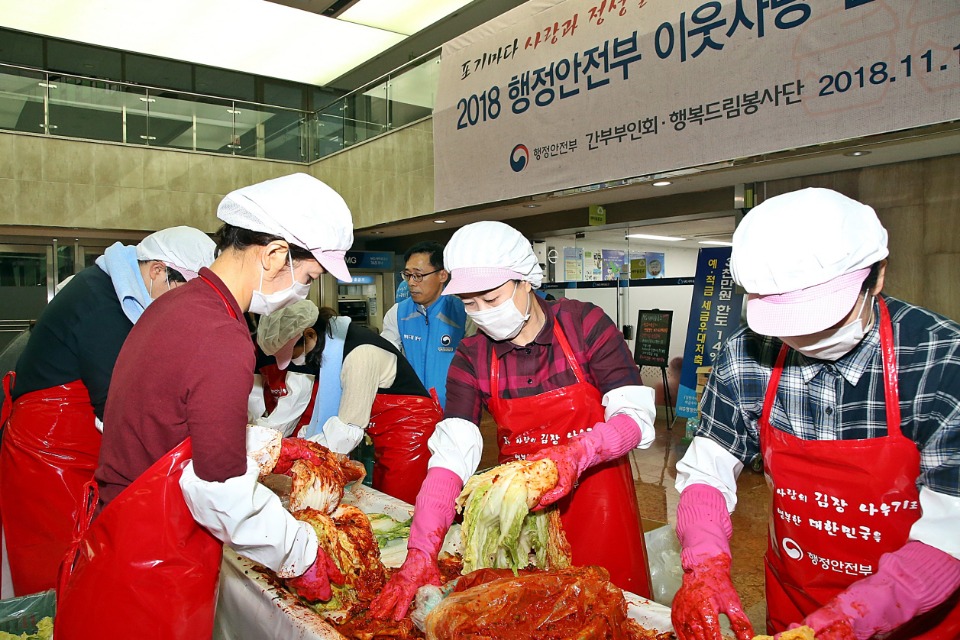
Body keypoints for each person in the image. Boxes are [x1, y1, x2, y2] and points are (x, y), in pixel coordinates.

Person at [54, 173, 354, 638]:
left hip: (117, 535)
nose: (305, 292)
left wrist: (265, 445)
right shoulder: (220, 335)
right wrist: (300, 553)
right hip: (151, 560)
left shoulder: (177, 306)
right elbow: (221, 490)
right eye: (310, 277)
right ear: (275, 254)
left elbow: (176, 418)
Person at [670, 188, 960, 640]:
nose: (803, 337)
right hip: (795, 603)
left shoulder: (941, 361)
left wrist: (853, 617)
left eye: (823, 318)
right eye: (786, 322)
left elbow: (953, 533)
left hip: (918, 615)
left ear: (877, 277)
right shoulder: (745, 354)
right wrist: (705, 561)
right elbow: (707, 469)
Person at [370, 220, 658, 620]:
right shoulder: (472, 357)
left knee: (611, 615)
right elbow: (452, 456)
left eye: (491, 298)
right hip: (524, 518)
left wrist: (578, 453)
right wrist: (421, 550)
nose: (483, 314)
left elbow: (636, 417)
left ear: (526, 281)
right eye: (470, 304)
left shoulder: (583, 326)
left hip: (601, 508)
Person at [0, 225, 215, 597]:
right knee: (56, 574)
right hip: (48, 456)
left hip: (78, 446)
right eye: (182, 294)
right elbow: (120, 408)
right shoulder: (100, 302)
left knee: (83, 566)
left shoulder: (117, 290)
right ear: (158, 270)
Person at [257, 302, 442, 505]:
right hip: (381, 429)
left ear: (309, 334)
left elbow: (346, 429)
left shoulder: (358, 354)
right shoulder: (325, 347)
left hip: (411, 428)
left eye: (292, 353)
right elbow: (303, 408)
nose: (293, 360)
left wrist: (302, 455)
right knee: (383, 497)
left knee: (400, 503)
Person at [381, 241, 473, 409]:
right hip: (412, 412)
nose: (411, 282)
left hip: (455, 410)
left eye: (418, 275)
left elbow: (477, 365)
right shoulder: (398, 313)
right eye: (407, 275)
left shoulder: (465, 313)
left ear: (442, 275)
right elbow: (384, 359)